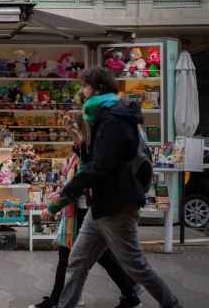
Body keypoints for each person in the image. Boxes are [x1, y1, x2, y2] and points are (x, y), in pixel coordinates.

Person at [51, 67, 181, 308]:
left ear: (97, 89)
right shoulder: (107, 115)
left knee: (137, 268)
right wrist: (79, 140)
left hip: (117, 205)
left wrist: (65, 194)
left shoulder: (114, 119)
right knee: (77, 261)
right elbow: (99, 160)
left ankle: (172, 304)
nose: (82, 92)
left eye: (84, 86)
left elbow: (100, 167)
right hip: (101, 204)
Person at [30, 114, 141, 308]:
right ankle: (130, 291)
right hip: (80, 211)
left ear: (84, 132)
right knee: (95, 256)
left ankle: (59, 299)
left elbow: (80, 185)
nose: (71, 137)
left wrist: (54, 206)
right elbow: (74, 183)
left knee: (74, 256)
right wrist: (61, 190)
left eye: (73, 133)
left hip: (86, 211)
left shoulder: (88, 154)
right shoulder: (79, 152)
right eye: (69, 133)